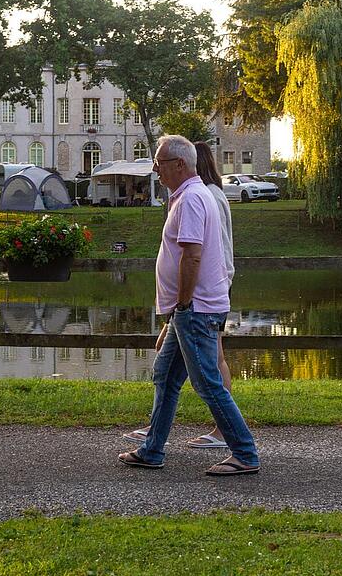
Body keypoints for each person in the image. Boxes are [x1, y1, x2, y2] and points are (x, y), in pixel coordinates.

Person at [118, 135, 259, 476]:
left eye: (160, 163)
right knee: (165, 377)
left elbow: (191, 255)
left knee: (207, 383)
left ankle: (244, 453)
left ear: (180, 164)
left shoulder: (193, 199)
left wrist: (181, 305)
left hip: (194, 311)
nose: (155, 169)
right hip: (189, 311)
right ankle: (152, 450)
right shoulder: (190, 196)